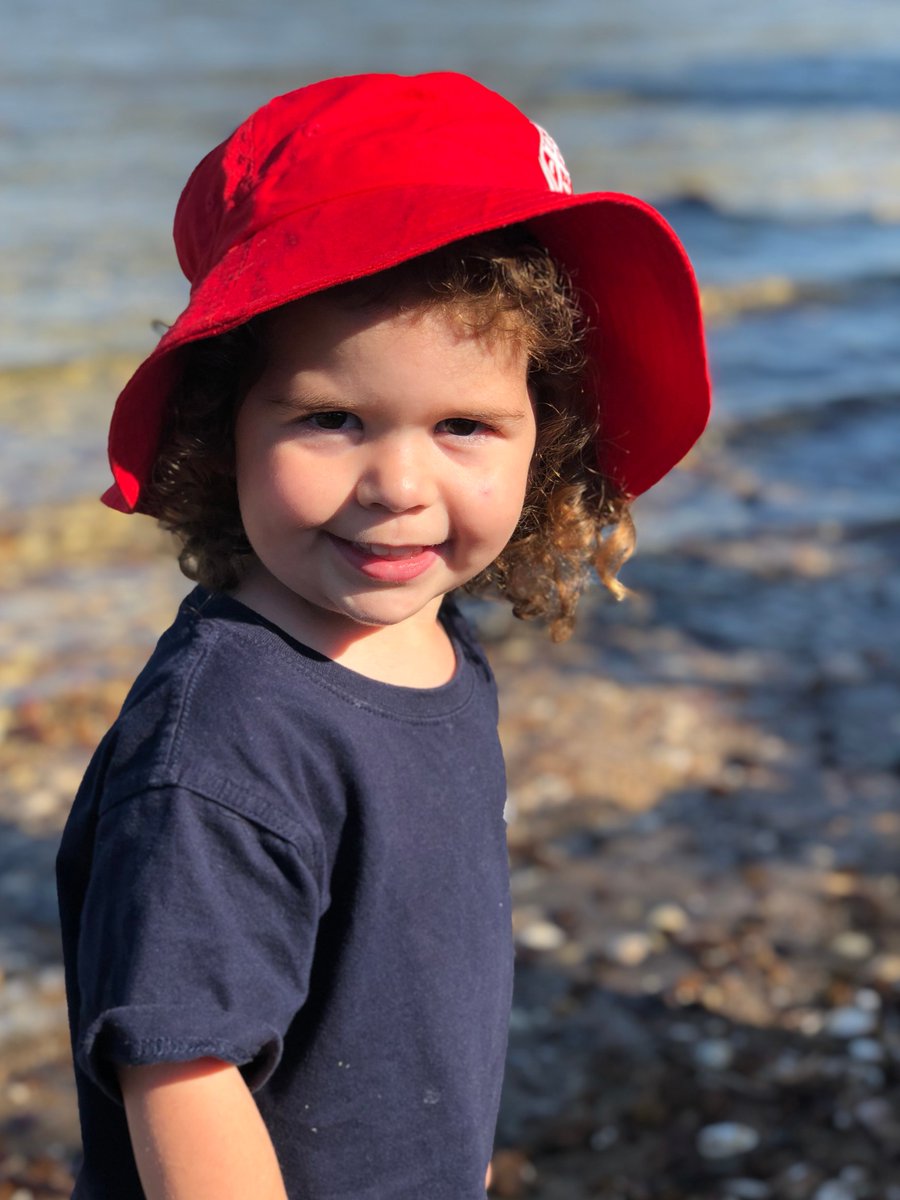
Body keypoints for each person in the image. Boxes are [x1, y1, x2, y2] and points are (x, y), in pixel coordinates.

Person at [56, 71, 710, 1200]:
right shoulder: (225, 743)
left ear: (540, 439)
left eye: (464, 425)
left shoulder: (436, 643)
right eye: (331, 419)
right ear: (220, 432)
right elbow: (180, 1065)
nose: (398, 486)